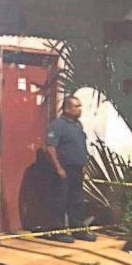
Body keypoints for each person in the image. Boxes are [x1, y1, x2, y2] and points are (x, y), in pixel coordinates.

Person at [43, 96, 96, 243]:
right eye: (76, 106)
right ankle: (58, 231)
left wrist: (83, 165)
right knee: (60, 200)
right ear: (67, 108)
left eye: (80, 106)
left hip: (76, 170)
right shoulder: (58, 126)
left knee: (77, 200)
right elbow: (50, 148)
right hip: (63, 169)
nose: (79, 109)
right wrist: (58, 168)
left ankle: (78, 229)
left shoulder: (77, 125)